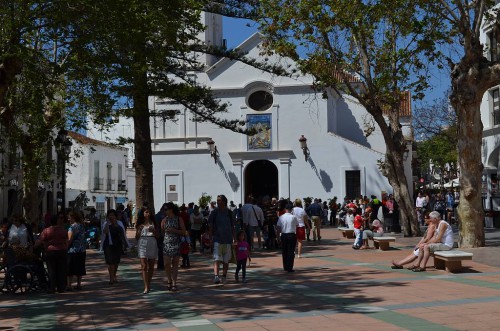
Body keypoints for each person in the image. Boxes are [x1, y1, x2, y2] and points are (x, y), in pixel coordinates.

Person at [36, 212, 68, 294]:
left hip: (51, 252)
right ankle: (61, 288)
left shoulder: (46, 230)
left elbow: (40, 240)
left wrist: (34, 246)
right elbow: (66, 241)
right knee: (61, 269)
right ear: (57, 221)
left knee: (51, 270)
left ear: (50, 222)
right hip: (62, 251)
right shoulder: (63, 230)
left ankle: (52, 288)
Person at [208, 194, 236, 284]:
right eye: (217, 200)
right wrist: (210, 238)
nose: (217, 202)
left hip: (227, 240)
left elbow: (233, 227)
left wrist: (235, 239)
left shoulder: (229, 213)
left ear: (224, 202)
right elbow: (210, 226)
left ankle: (224, 276)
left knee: (225, 261)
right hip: (217, 239)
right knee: (216, 259)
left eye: (219, 200)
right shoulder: (214, 213)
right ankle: (216, 276)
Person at [161, 202, 187, 291]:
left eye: (166, 209)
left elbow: (184, 231)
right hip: (166, 243)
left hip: (176, 243)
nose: (164, 211)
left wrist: (173, 230)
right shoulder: (164, 220)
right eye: (164, 210)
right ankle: (169, 280)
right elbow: (162, 231)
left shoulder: (178, 219)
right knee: (166, 264)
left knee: (175, 264)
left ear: (171, 209)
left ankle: (174, 283)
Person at [135, 206, 158, 294]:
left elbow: (158, 236)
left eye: (148, 212)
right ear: (143, 213)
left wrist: (154, 231)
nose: (147, 213)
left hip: (152, 242)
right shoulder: (139, 224)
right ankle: (146, 286)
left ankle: (149, 283)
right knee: (144, 266)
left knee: (151, 266)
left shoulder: (153, 222)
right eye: (145, 212)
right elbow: (137, 237)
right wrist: (139, 231)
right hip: (142, 242)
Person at [102, 209, 126, 285]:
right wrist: (107, 224)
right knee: (110, 262)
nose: (111, 217)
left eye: (112, 215)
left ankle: (114, 275)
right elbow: (104, 232)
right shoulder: (106, 224)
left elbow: (122, 233)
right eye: (109, 215)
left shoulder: (119, 223)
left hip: (117, 244)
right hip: (108, 245)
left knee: (116, 262)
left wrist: (124, 245)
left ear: (115, 216)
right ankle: (111, 278)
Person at [67, 211, 86, 291]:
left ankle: (69, 285)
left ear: (73, 218)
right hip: (82, 249)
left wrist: (66, 246)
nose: (68, 219)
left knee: (70, 268)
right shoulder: (82, 225)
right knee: (80, 268)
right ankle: (79, 284)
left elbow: (69, 239)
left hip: (73, 250)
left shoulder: (71, 227)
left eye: (69, 217)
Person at [276, 201, 298, 272]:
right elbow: (296, 226)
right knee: (291, 251)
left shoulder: (281, 217)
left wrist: (278, 237)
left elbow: (278, 228)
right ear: (291, 209)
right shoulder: (293, 217)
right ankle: (290, 267)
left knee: (284, 251)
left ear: (285, 209)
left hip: (284, 235)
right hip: (291, 234)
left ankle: (285, 266)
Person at [154, 203, 168, 270]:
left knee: (161, 251)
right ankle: (161, 265)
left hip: (161, 235)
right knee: (162, 250)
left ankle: (161, 265)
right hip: (161, 235)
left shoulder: (159, 215)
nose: (166, 211)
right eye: (165, 209)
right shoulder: (160, 216)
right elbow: (157, 227)